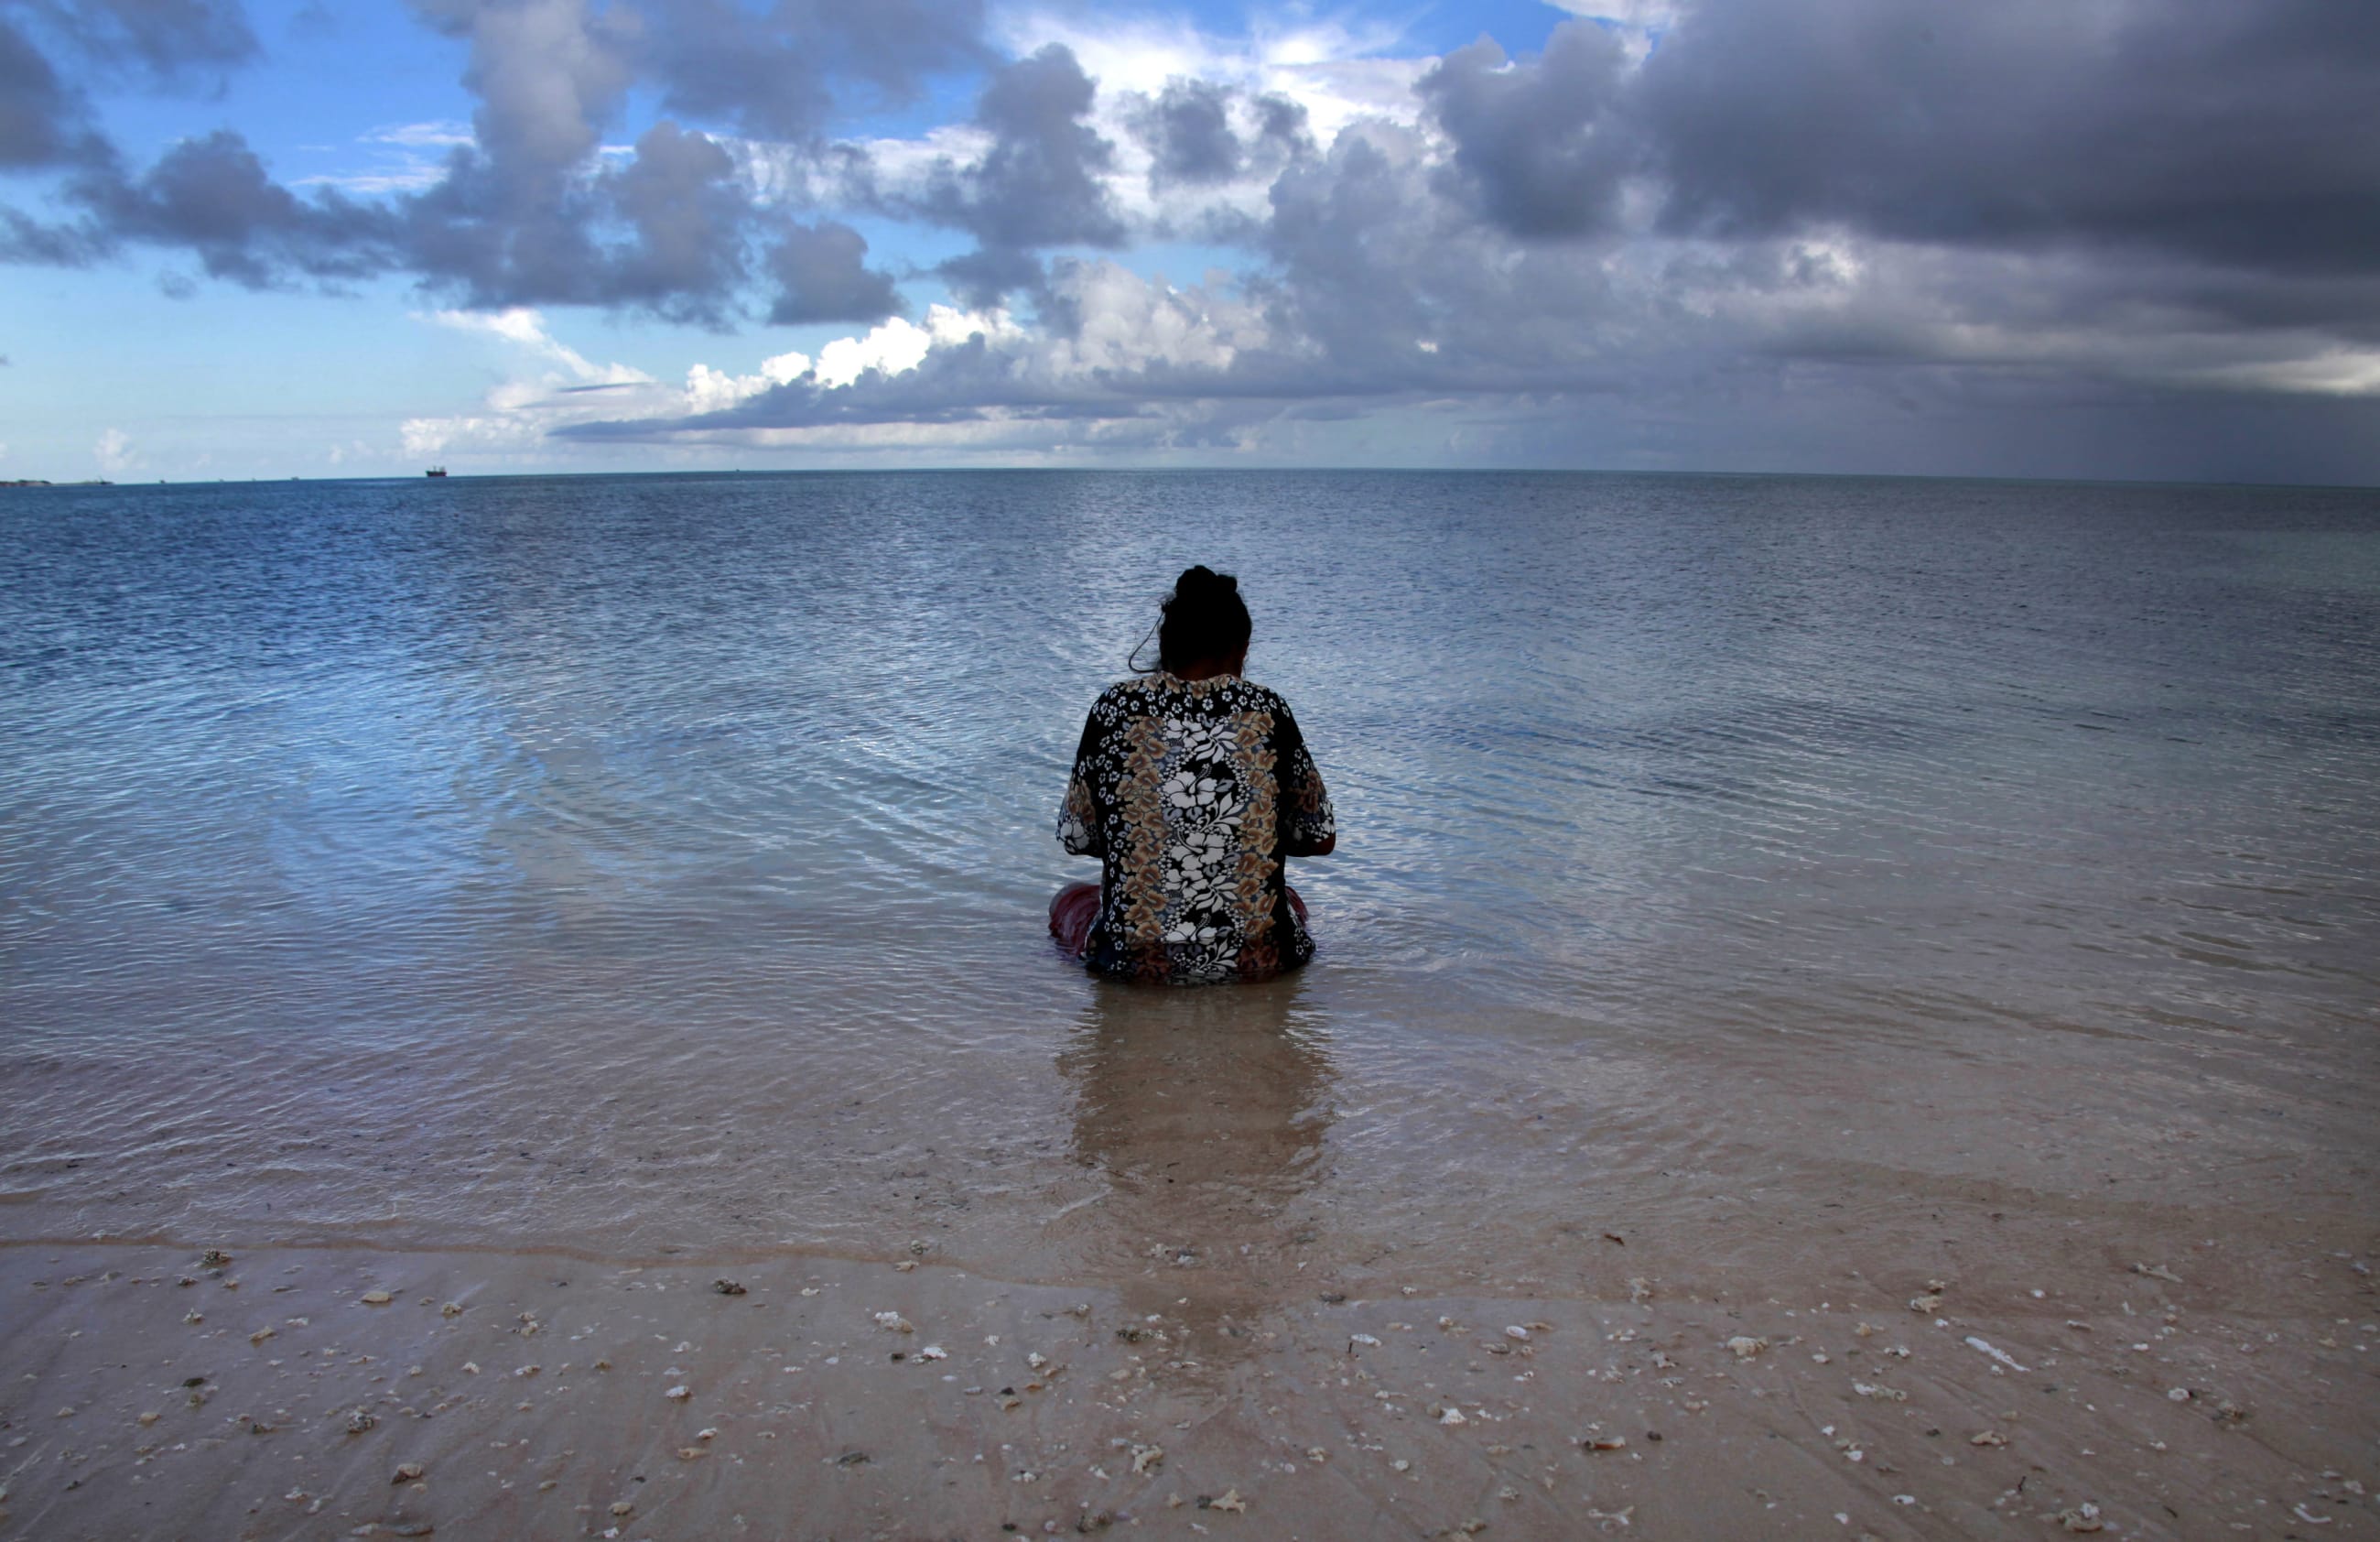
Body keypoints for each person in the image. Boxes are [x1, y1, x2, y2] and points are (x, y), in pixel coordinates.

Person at [1051, 566, 1336, 983]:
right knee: (1290, 901)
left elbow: (1077, 838)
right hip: (1258, 962)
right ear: (1243, 649)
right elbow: (1318, 838)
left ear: (1164, 643)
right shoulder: (1268, 712)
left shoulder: (1112, 709)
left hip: (1135, 965)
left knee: (1070, 900)